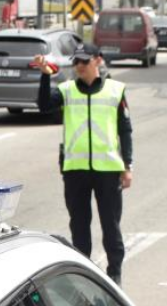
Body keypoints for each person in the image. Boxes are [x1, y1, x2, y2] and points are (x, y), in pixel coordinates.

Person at [35, 43, 133, 286]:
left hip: (108, 170)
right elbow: (44, 105)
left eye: (84, 61)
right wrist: (45, 77)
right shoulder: (67, 90)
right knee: (79, 227)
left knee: (111, 226)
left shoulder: (115, 90)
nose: (79, 66)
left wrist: (128, 165)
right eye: (76, 61)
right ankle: (84, 275)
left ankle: (115, 275)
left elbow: (125, 130)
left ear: (98, 60)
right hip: (75, 170)